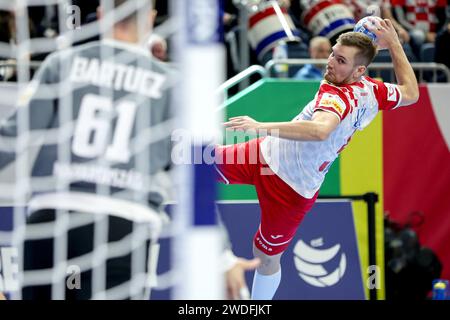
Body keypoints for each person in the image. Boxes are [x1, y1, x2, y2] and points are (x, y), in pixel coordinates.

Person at [215, 17, 419, 300]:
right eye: (334, 54)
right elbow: (411, 93)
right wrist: (395, 42)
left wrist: (260, 125)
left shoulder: (336, 95)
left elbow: (321, 129)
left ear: (359, 70)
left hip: (291, 189)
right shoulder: (374, 91)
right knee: (195, 158)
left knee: (264, 257)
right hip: (266, 153)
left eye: (341, 61)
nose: (331, 63)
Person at [0, 0, 173, 299]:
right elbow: (189, 167)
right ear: (151, 19)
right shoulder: (171, 82)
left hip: (52, 217)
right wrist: (222, 254)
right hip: (124, 223)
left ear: (102, 15)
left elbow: (12, 138)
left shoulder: (62, 63)